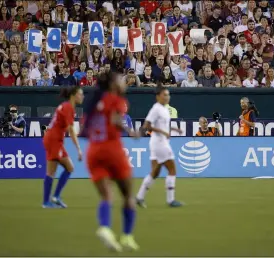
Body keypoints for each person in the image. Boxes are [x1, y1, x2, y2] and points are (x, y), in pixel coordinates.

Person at [83, 73, 139, 252]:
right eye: (122, 80)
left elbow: (85, 129)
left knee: (107, 195)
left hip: (93, 152)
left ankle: (105, 228)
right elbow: (115, 119)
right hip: (112, 149)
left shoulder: (93, 104)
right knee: (128, 195)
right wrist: (129, 131)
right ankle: (127, 236)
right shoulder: (117, 100)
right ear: (114, 84)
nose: (125, 82)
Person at [136, 87, 183, 208]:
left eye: (168, 95)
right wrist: (164, 133)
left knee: (155, 172)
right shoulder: (156, 109)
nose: (167, 97)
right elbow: (147, 126)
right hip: (160, 143)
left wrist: (173, 129)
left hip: (157, 143)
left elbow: (162, 125)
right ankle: (170, 200)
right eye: (164, 95)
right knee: (172, 170)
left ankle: (139, 197)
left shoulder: (165, 109)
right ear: (158, 96)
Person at [42, 86, 84, 208]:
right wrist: (79, 149)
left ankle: (53, 198)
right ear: (73, 95)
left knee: (68, 168)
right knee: (54, 171)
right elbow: (70, 130)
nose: (82, 96)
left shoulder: (66, 106)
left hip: (54, 139)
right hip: (53, 140)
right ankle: (48, 201)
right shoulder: (68, 108)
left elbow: (64, 126)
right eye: (80, 94)